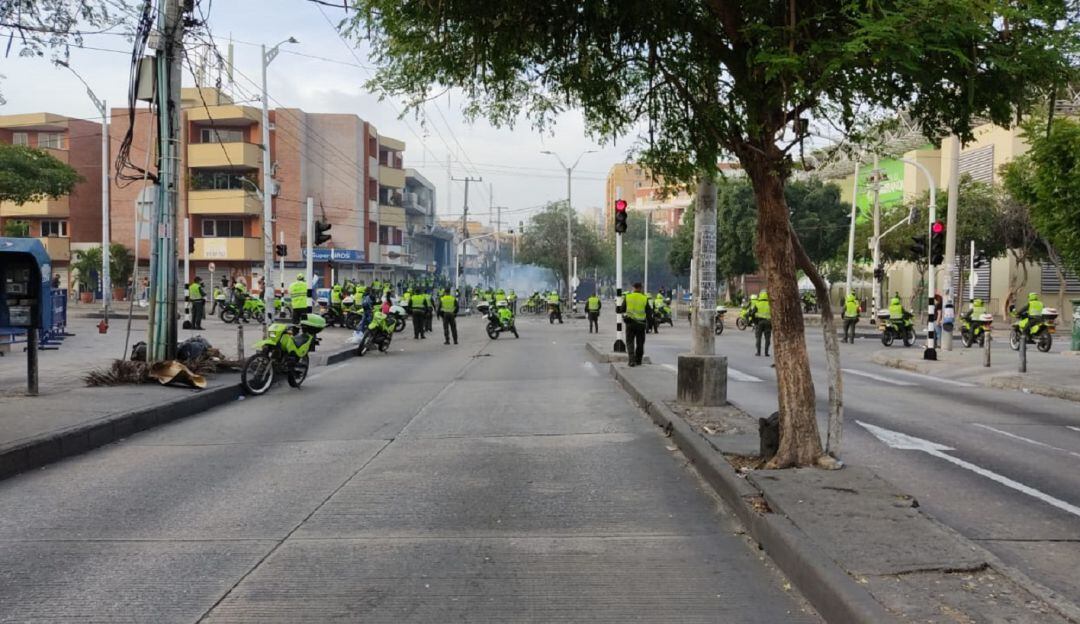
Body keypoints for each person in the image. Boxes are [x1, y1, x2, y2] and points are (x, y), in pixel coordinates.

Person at [623, 282, 651, 366]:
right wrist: (649, 325)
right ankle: (638, 360)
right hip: (641, 324)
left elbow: (621, 309)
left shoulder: (628, 297)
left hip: (630, 323)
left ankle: (631, 361)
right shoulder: (644, 298)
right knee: (640, 343)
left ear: (633, 288)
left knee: (630, 342)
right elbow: (649, 313)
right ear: (641, 288)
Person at [754, 290, 772, 357]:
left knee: (758, 337)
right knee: (767, 338)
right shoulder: (770, 304)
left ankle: (758, 352)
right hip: (768, 322)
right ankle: (766, 353)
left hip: (759, 322)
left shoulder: (757, 304)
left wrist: (755, 322)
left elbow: (752, 313)